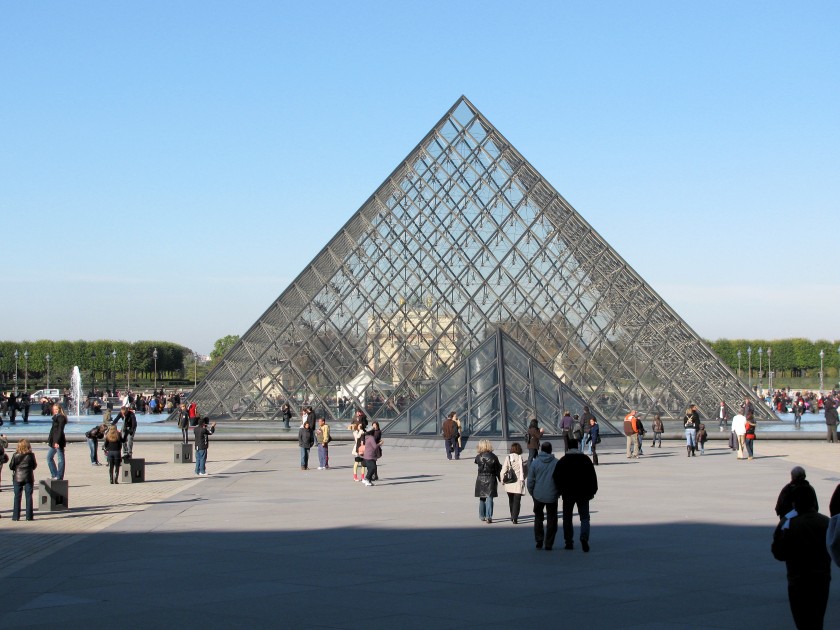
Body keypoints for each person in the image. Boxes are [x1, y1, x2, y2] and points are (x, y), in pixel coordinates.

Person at [771, 485, 831, 629]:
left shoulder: (789, 523)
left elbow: (779, 553)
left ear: (795, 504)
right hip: (821, 578)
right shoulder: (825, 522)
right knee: (817, 620)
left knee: (802, 620)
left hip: (798, 579)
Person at [554, 438, 598, 551]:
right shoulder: (585, 459)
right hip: (583, 494)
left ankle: (568, 541)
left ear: (568, 447)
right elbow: (592, 477)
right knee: (584, 517)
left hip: (568, 494)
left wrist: (560, 490)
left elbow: (556, 477)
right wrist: (592, 491)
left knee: (567, 518)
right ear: (578, 446)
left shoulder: (563, 460)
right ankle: (584, 537)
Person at [527, 442, 559, 550]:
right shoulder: (556, 463)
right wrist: (558, 492)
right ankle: (549, 543)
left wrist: (532, 493)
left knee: (538, 518)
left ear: (541, 449)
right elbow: (560, 481)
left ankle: (539, 540)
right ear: (550, 450)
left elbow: (530, 481)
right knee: (552, 519)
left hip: (538, 495)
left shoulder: (535, 463)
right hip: (552, 495)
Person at [9, 438, 37, 521]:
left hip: (18, 477)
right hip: (28, 477)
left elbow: (11, 466)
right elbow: (34, 466)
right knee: (29, 497)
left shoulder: (15, 455)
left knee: (17, 497)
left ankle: (16, 516)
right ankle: (29, 516)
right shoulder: (31, 455)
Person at [473, 439, 501, 523]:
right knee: (490, 498)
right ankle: (489, 516)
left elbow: (477, 463)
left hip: (480, 478)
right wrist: (500, 478)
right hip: (491, 478)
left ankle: (482, 515)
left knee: (482, 498)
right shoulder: (493, 456)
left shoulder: (478, 457)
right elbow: (497, 469)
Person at [499, 443, 526, 523]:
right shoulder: (521, 458)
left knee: (511, 500)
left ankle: (512, 515)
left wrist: (502, 480)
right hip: (518, 482)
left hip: (509, 482)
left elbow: (503, 470)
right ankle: (515, 517)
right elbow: (524, 471)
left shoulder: (508, 457)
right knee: (517, 501)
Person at [47, 403, 68, 480]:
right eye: (54, 409)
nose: (55, 411)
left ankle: (59, 476)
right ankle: (55, 474)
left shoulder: (61, 418)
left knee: (60, 459)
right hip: (54, 441)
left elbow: (59, 430)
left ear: (60, 409)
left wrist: (57, 442)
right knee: (49, 457)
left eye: (56, 409)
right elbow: (53, 430)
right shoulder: (56, 417)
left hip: (58, 441)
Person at [350, 417, 366, 481]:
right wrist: (361, 431)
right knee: (356, 462)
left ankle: (362, 477)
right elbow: (358, 437)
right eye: (359, 425)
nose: (360, 425)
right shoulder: (355, 432)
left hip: (363, 448)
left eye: (361, 425)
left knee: (363, 463)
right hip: (357, 448)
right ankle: (355, 476)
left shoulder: (363, 431)